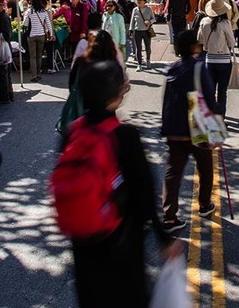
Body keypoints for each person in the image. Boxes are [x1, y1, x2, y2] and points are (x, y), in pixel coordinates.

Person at [66, 59, 179, 307]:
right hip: (122, 240)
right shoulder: (123, 135)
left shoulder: (72, 132)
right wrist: (164, 238)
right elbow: (145, 193)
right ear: (115, 95)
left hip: (83, 241)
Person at [161, 29, 220, 231]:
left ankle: (169, 215)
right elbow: (209, 98)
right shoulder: (199, 67)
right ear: (194, 46)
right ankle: (204, 204)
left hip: (174, 125)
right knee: (205, 167)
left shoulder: (172, 68)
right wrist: (217, 117)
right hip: (197, 123)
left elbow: (167, 99)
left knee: (173, 172)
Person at [197, 0, 236, 117]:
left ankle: (209, 114)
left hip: (210, 59)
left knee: (210, 90)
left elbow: (200, 39)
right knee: (222, 91)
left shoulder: (204, 22)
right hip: (224, 60)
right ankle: (220, 116)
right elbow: (232, 42)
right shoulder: (225, 23)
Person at [24, 0, 53, 82]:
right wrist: (51, 34)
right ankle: (39, 73)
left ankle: (34, 75)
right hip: (41, 35)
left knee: (33, 56)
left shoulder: (29, 11)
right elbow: (48, 23)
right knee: (39, 55)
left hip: (32, 35)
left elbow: (25, 24)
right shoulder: (43, 11)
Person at [129, 0, 156, 70]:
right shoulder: (135, 9)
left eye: (140, 0)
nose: (139, 1)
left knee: (148, 47)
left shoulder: (149, 9)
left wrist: (149, 22)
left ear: (144, 1)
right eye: (138, 0)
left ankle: (148, 60)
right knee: (138, 48)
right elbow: (132, 21)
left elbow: (154, 19)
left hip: (146, 31)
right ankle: (139, 64)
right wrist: (131, 29)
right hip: (137, 31)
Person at [116, 0, 136, 65]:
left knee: (132, 39)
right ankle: (124, 56)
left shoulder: (129, 1)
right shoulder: (120, 1)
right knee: (124, 40)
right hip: (123, 23)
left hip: (129, 22)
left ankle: (135, 54)